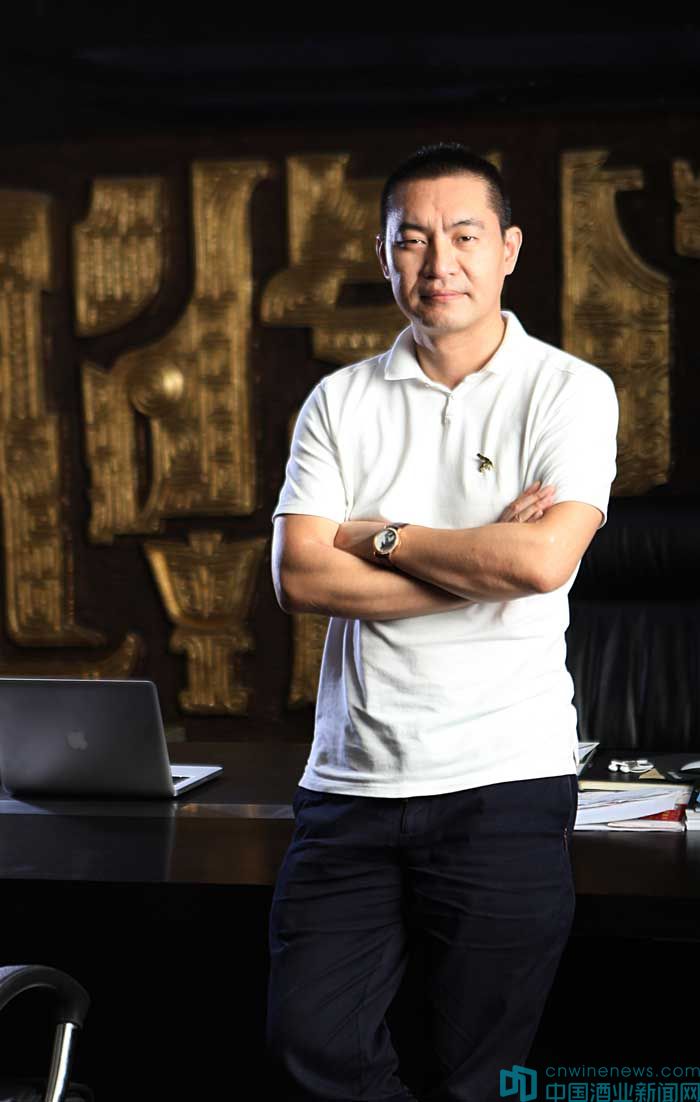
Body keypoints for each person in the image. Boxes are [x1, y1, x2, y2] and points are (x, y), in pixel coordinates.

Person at [266, 142, 618, 1101]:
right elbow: (299, 575)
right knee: (311, 1046)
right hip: (350, 784)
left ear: (508, 249)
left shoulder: (569, 390)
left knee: (479, 1077)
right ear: (384, 258)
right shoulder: (339, 400)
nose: (438, 263)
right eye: (411, 240)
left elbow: (541, 562)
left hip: (501, 782)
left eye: (464, 236)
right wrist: (478, 562)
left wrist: (378, 536)